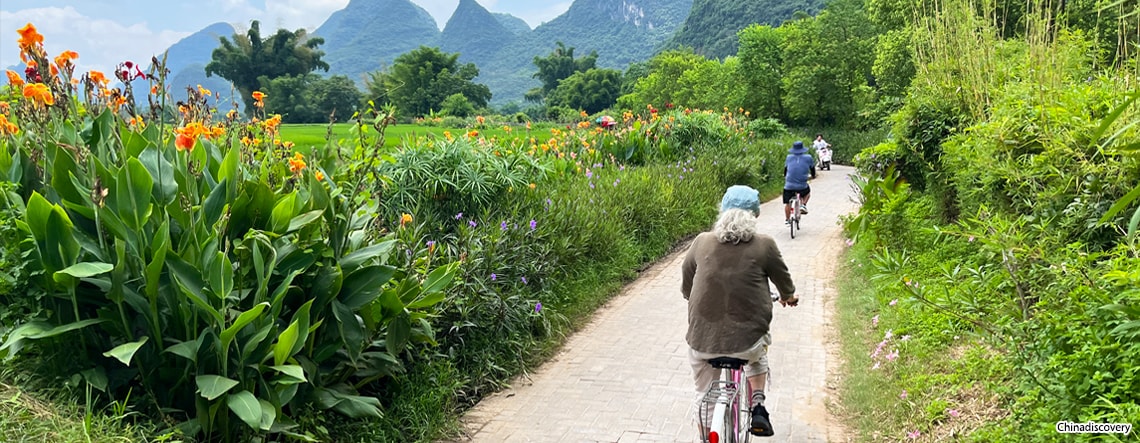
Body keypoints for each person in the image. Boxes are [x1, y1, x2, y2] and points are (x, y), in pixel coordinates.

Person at [682, 185, 799, 437]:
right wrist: (788, 297)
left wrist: (691, 296)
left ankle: (706, 434)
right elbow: (784, 281)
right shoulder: (765, 245)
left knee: (704, 396)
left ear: (722, 212)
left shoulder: (701, 242)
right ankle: (757, 404)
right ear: (754, 216)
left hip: (703, 343)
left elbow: (686, 282)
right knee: (759, 349)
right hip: (747, 345)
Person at [783, 141, 816, 223]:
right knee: (807, 192)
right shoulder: (808, 157)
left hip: (788, 186)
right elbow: (812, 169)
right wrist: (813, 176)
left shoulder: (789, 157)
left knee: (787, 203)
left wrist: (785, 177)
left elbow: (785, 170)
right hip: (802, 186)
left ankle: (787, 219)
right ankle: (803, 205)